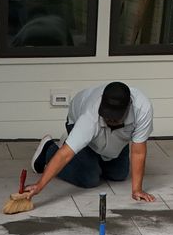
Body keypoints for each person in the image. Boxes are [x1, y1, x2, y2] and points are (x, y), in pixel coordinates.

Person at [23, 82, 156, 205]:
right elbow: (65, 155)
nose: (110, 119)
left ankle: (90, 156)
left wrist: (137, 190)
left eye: (115, 117)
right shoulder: (89, 115)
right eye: (107, 115)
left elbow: (138, 151)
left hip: (118, 139)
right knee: (89, 178)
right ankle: (49, 150)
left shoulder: (142, 110)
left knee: (119, 174)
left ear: (128, 107)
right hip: (78, 122)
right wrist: (39, 186)